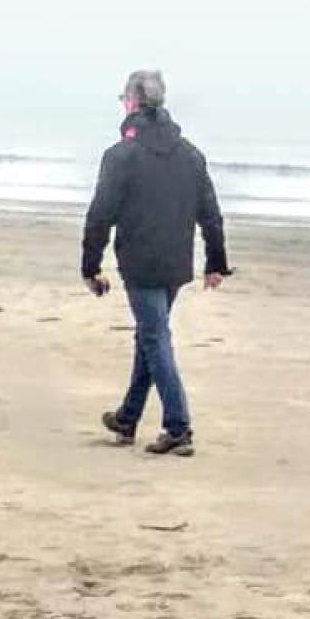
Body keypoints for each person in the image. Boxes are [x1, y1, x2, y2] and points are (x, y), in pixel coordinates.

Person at [82, 70, 230, 457]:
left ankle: (178, 426)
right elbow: (210, 213)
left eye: (123, 99)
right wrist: (215, 260)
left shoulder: (121, 156)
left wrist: (90, 265)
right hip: (175, 263)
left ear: (132, 102)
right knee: (150, 334)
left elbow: (100, 214)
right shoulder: (190, 154)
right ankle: (128, 417)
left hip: (141, 262)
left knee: (154, 337)